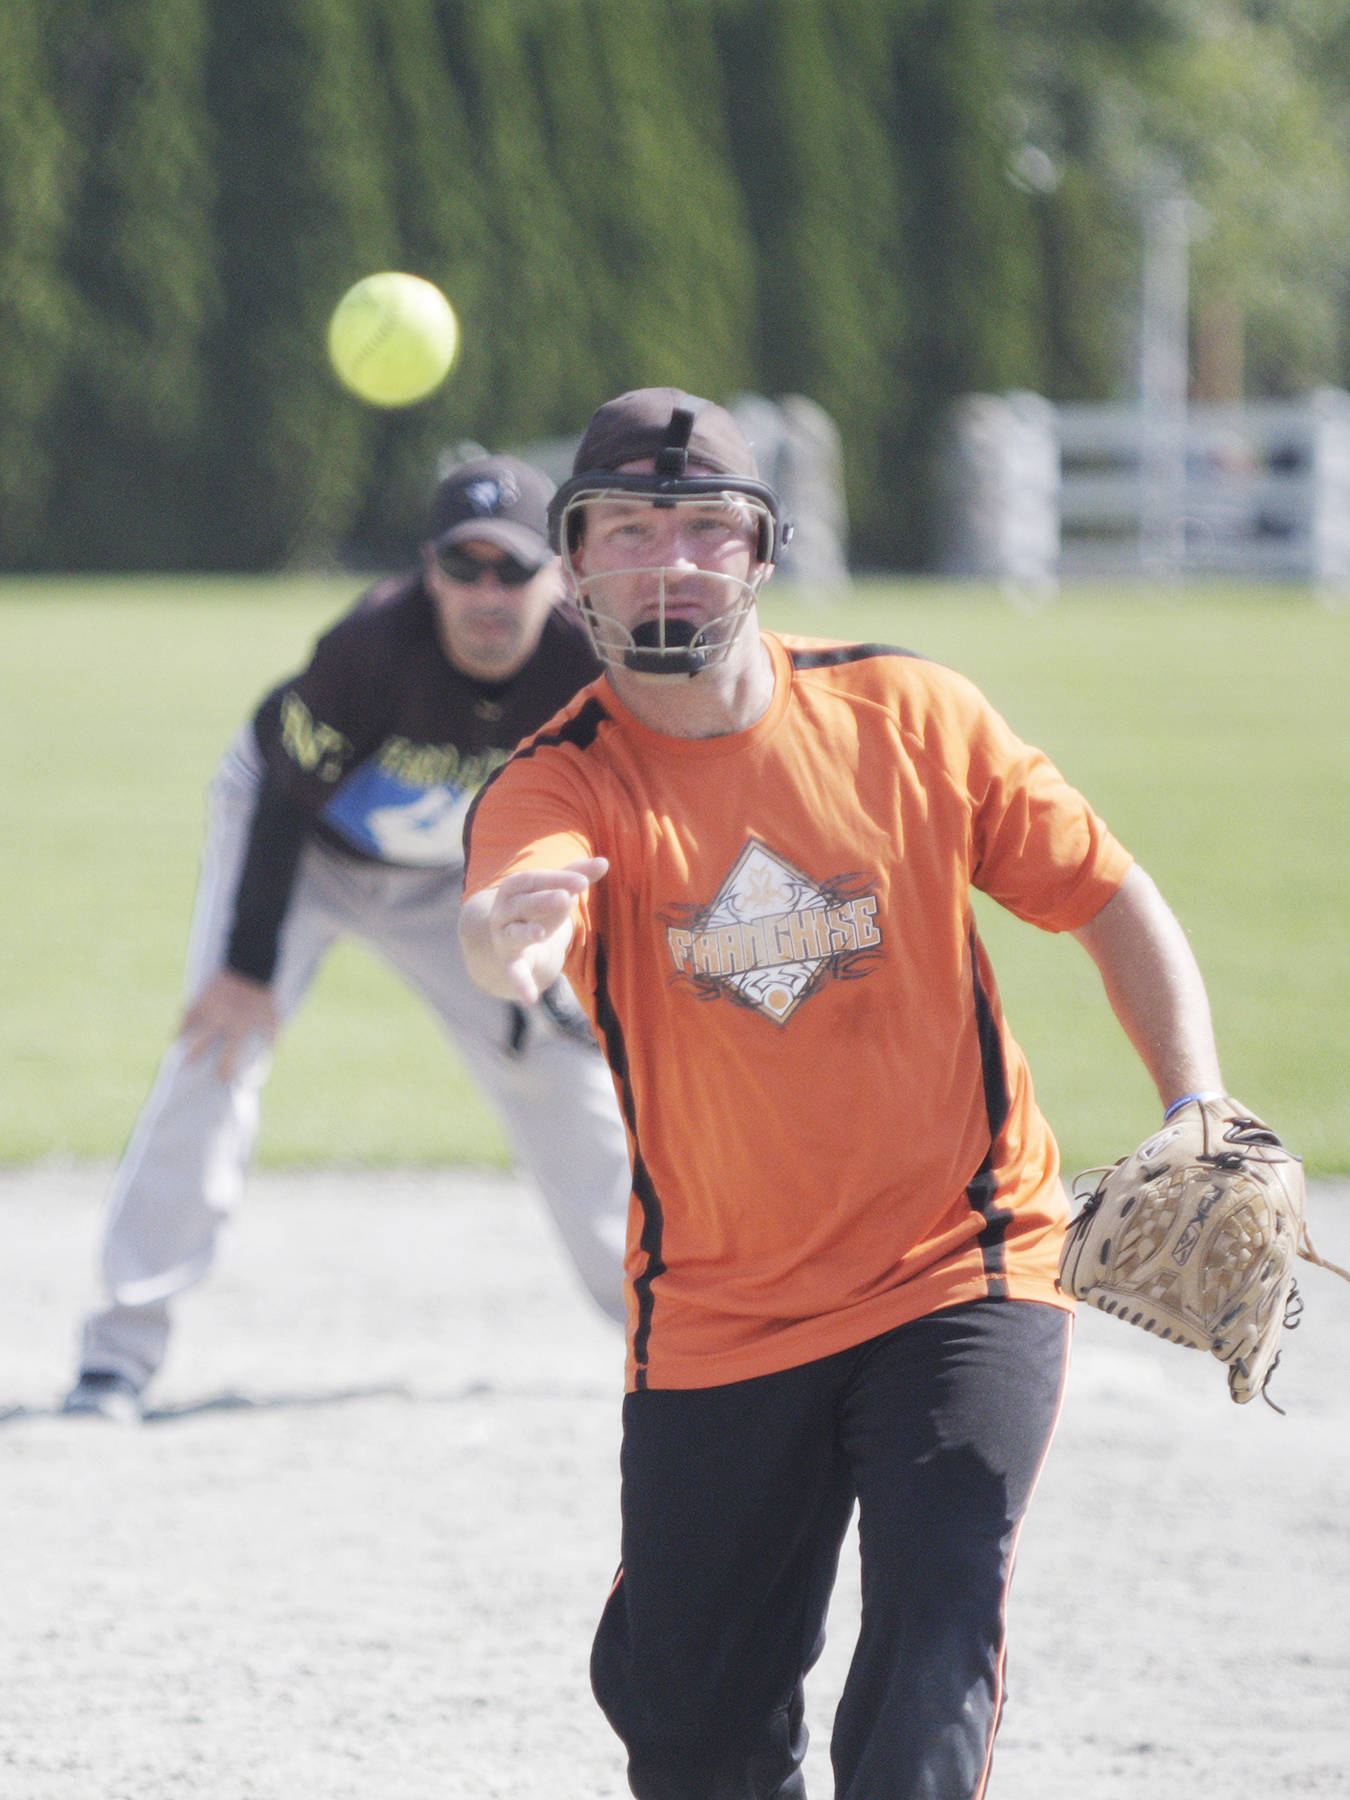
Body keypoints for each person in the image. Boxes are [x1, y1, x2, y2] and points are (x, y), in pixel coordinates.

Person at [457, 388, 1232, 1800]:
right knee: (692, 1735)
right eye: (625, 529)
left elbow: (1110, 897)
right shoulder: (557, 781)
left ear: (763, 554)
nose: (667, 560)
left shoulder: (908, 714)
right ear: (571, 566)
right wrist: (503, 943)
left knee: (935, 1633)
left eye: (704, 529)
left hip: (962, 1261)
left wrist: (1197, 1101)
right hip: (719, 1308)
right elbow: (520, 924)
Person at [63, 454, 631, 1426]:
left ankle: (673, 1335)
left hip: (458, 874)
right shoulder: (372, 643)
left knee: (560, 1071)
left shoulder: (586, 665)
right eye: (466, 567)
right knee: (219, 1050)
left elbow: (616, 822)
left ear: (562, 575)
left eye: (515, 569)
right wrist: (247, 972)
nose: (488, 595)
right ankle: (119, 1351)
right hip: (305, 850)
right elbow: (286, 796)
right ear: (429, 570)